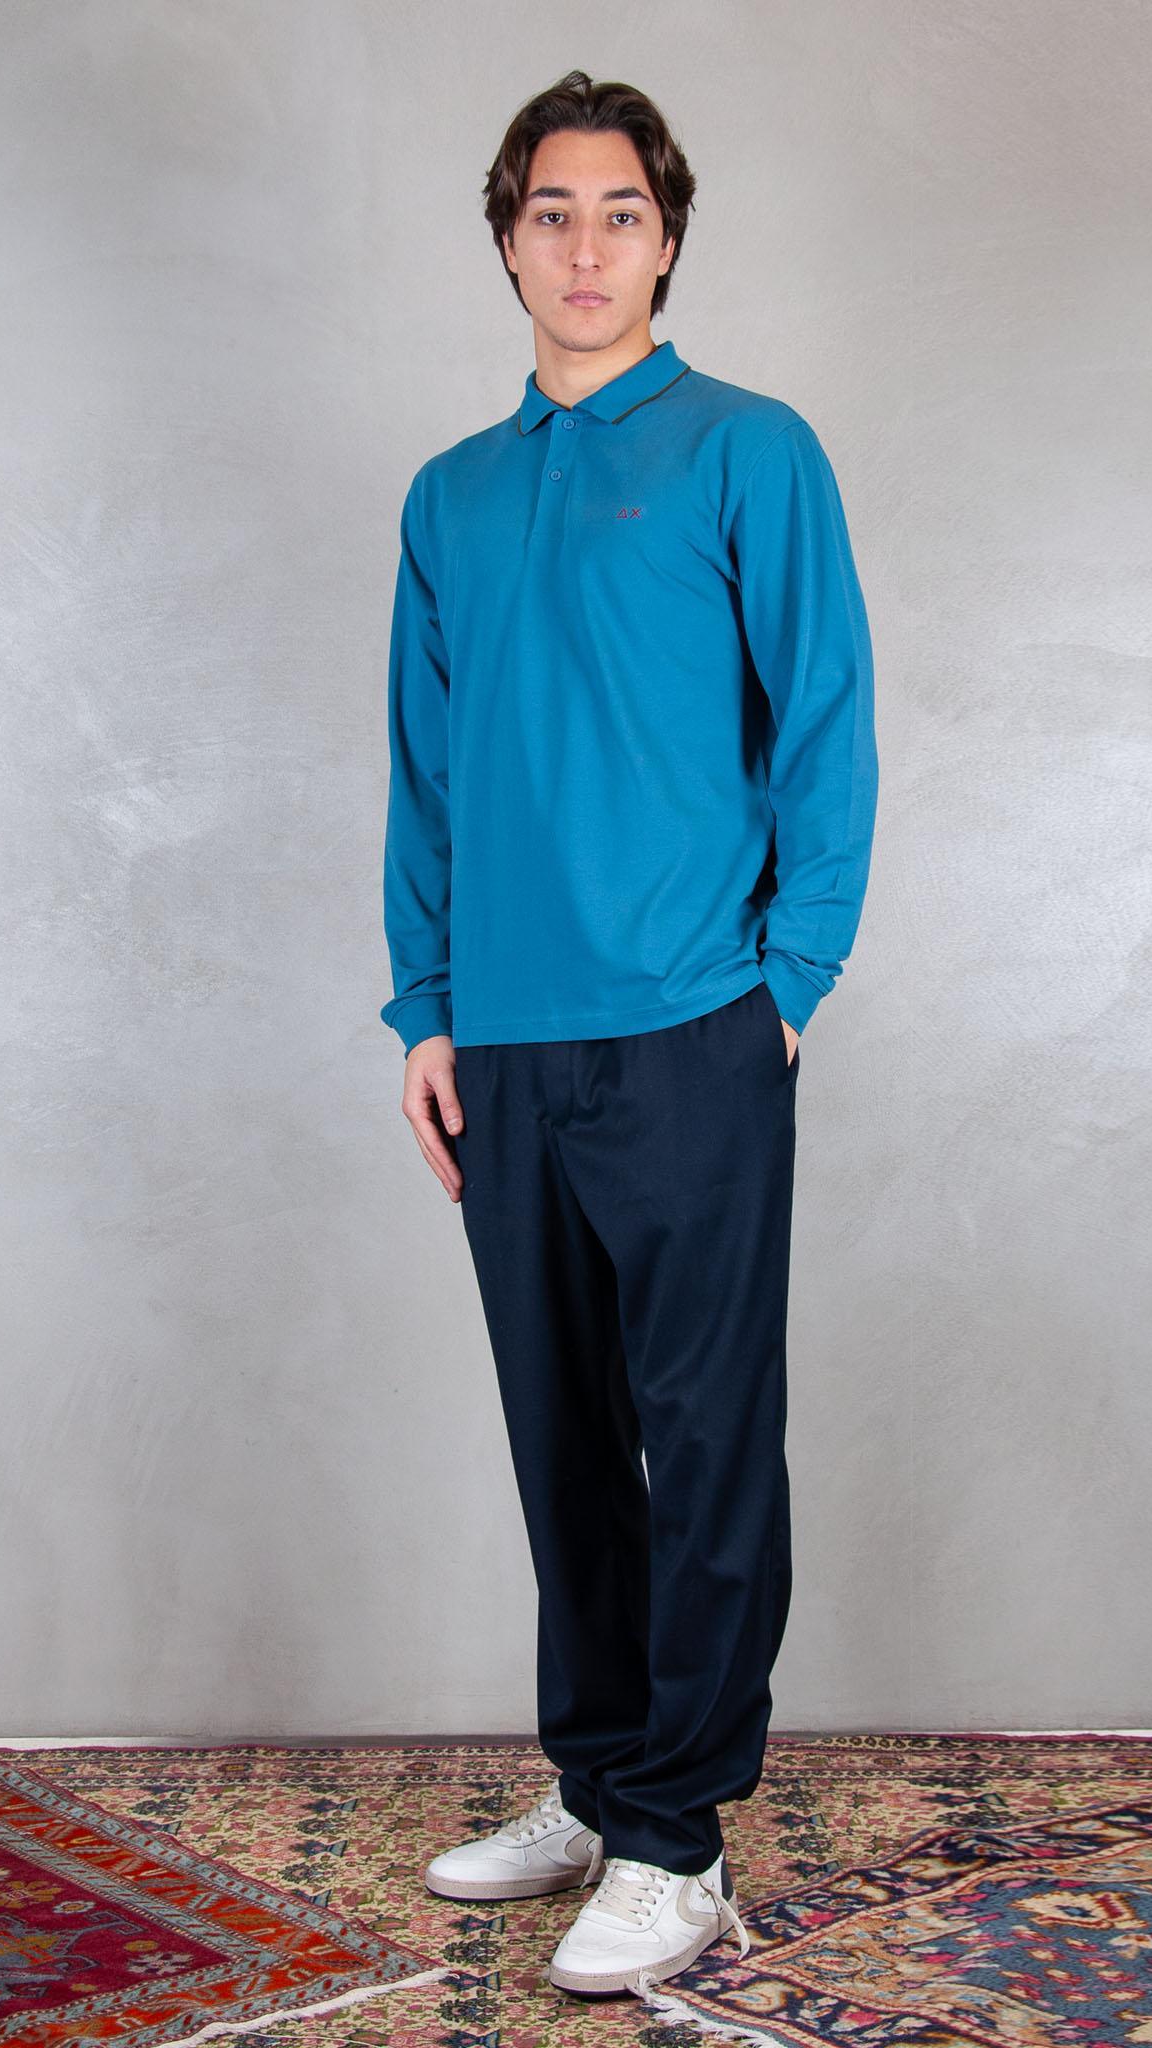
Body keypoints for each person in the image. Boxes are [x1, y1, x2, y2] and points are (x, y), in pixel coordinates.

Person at [379, 68, 878, 2004]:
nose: (583, 248)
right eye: (550, 213)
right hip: (504, 1043)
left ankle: (677, 1835)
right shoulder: (449, 495)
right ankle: (596, 1781)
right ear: (506, 241)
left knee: (705, 1433)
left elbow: (821, 718)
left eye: (620, 214)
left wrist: (786, 984)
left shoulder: (750, 451)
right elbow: (425, 772)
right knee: (562, 1436)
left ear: (664, 242)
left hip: (691, 1026)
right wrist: (427, 1006)